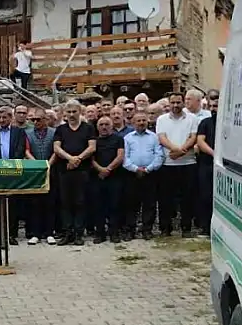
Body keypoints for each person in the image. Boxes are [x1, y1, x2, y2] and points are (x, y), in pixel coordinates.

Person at [0, 107, 31, 246]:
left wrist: (9, 166)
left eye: (5, 117)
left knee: (12, 205)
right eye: (0, 117)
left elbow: (20, 150)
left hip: (12, 174)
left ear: (11, 118)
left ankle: (11, 235)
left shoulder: (19, 132)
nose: (2, 120)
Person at [52, 100, 97, 246]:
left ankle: (79, 233)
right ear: (65, 113)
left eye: (74, 111)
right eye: (69, 112)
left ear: (80, 112)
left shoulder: (88, 128)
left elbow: (92, 147)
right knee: (65, 202)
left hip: (82, 171)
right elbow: (56, 148)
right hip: (64, 171)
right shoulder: (61, 129)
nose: (71, 115)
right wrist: (70, 158)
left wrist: (78, 158)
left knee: (80, 202)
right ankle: (67, 233)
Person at [156, 92, 199, 237]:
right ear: (169, 103)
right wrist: (177, 150)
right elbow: (162, 138)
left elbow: (193, 137)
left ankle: (186, 228)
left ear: (183, 103)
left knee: (188, 198)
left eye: (178, 102)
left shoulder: (192, 118)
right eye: (173, 102)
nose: (175, 105)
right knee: (165, 199)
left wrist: (180, 153)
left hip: (188, 163)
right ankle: (165, 228)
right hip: (168, 164)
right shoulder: (162, 119)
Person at [123, 110, 164, 240]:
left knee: (149, 203)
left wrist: (148, 169)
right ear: (133, 123)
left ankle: (147, 229)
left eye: (143, 120)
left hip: (150, 174)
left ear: (148, 122)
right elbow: (124, 157)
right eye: (138, 121)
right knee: (131, 204)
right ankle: (130, 230)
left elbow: (159, 155)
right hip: (132, 175)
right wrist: (135, 169)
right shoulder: (127, 138)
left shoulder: (154, 137)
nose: (141, 123)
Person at [88, 116, 125, 244]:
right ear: (97, 127)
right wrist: (100, 170)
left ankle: (114, 233)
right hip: (97, 178)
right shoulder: (94, 141)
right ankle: (100, 233)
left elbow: (120, 156)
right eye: (101, 125)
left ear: (111, 126)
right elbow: (91, 158)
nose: (104, 127)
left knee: (114, 206)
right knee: (98, 207)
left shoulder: (118, 139)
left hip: (115, 177)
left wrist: (108, 169)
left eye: (107, 124)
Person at [25, 108, 56, 245]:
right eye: (33, 120)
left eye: (39, 119)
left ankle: (49, 232)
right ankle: (36, 233)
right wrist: (37, 165)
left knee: (50, 203)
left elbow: (56, 150)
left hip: (51, 171)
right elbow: (26, 151)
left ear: (46, 119)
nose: (36, 122)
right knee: (35, 204)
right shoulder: (28, 133)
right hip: (35, 173)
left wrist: (48, 165)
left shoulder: (54, 133)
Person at [196, 93, 218, 236]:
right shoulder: (205, 123)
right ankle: (206, 227)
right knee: (205, 196)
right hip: (207, 165)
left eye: (215, 106)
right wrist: (215, 154)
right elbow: (200, 142)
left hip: (224, 167)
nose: (212, 109)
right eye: (210, 106)